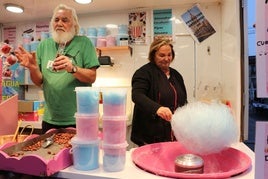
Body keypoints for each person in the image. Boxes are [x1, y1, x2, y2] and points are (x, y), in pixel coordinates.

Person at [15, 4, 100, 134]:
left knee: (77, 154)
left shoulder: (84, 43)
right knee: (50, 154)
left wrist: (73, 68)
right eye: (56, 20)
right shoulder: (44, 45)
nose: (59, 23)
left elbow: (92, 77)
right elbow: (39, 81)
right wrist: (32, 68)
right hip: (50, 119)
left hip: (79, 118)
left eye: (65, 20)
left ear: (74, 25)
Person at [131, 38, 188, 146]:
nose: (166, 59)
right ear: (153, 55)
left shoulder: (176, 75)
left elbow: (183, 100)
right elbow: (137, 95)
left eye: (169, 55)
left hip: (174, 135)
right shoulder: (144, 73)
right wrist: (157, 108)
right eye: (161, 55)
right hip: (150, 137)